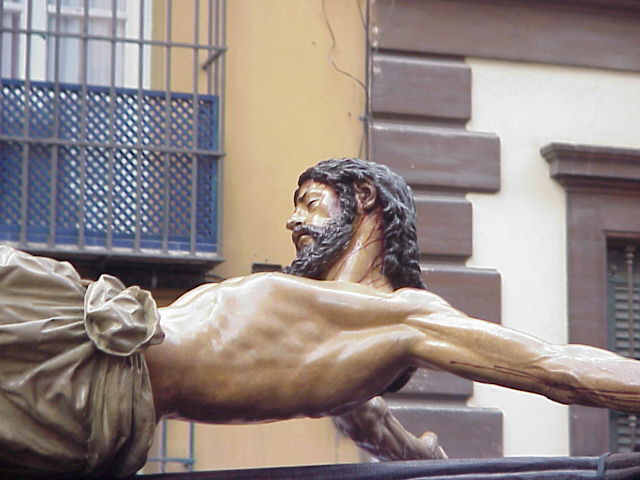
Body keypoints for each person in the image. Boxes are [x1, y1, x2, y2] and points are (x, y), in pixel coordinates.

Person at [3, 158, 640, 478]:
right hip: (71, 323)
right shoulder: (343, 344)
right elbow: (390, 441)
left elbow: (556, 367)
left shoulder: (402, 319)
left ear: (364, 198)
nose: (293, 220)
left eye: (310, 202)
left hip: (81, 374)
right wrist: (418, 452)